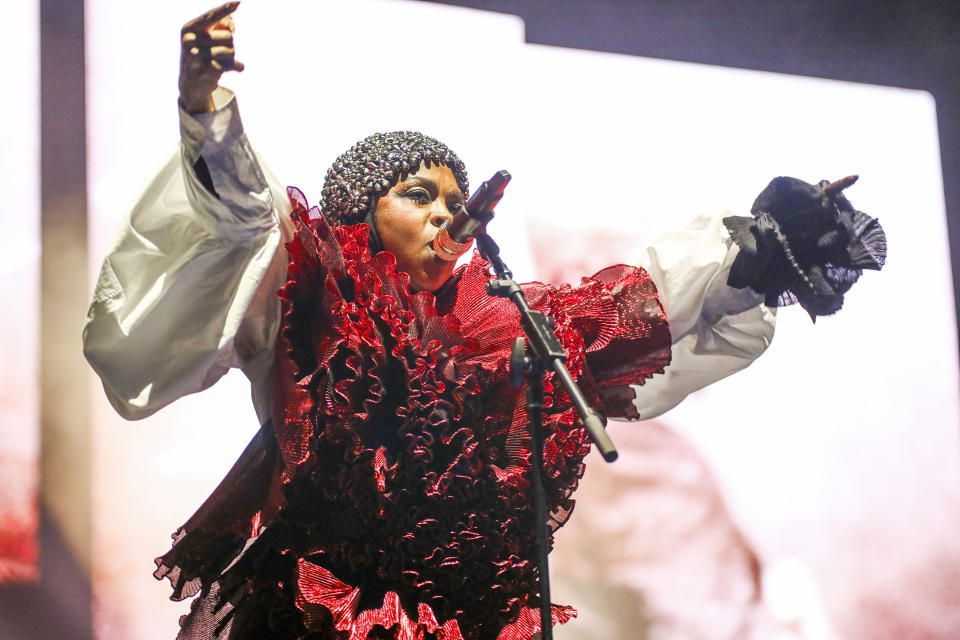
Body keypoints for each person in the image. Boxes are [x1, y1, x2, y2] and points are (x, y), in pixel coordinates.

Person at [82, 4, 885, 639]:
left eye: (454, 200)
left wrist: (762, 252)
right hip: (313, 617)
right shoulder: (309, 285)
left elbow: (636, 304)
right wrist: (205, 106)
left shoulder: (505, 321)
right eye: (418, 195)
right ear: (362, 209)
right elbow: (237, 215)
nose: (444, 215)